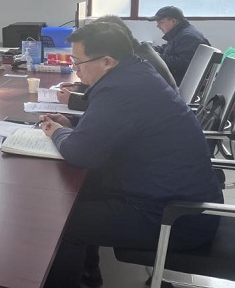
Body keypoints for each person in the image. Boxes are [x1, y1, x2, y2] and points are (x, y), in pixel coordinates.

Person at [39, 23, 223, 288]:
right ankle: (88, 277)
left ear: (107, 61)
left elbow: (81, 154)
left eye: (78, 62)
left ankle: (80, 279)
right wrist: (73, 125)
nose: (75, 69)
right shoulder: (134, 72)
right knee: (80, 192)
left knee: (61, 222)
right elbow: (113, 129)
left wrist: (57, 132)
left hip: (175, 217)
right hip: (172, 199)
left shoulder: (121, 90)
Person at [57, 15, 177, 110]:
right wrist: (80, 87)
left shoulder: (139, 66)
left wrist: (73, 100)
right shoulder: (138, 55)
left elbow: (114, 104)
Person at [148, 6, 210, 84]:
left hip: (182, 81)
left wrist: (156, 57)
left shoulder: (188, 37)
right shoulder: (180, 33)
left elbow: (183, 63)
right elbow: (166, 49)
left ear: (173, 21)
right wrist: (148, 49)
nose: (158, 26)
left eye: (160, 22)